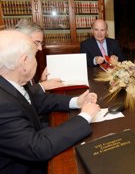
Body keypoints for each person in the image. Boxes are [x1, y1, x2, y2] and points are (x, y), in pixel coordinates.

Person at [0, 30, 101, 173]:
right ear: (23, 62)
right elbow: (39, 148)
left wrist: (76, 102)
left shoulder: (9, 83)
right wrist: (84, 116)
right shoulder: (3, 104)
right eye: (34, 56)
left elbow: (34, 101)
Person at [14, 19, 64, 91]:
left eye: (41, 43)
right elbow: (19, 97)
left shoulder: (28, 60)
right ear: (22, 40)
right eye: (37, 42)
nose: (40, 48)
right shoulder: (10, 66)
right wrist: (42, 86)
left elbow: (30, 91)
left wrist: (42, 81)